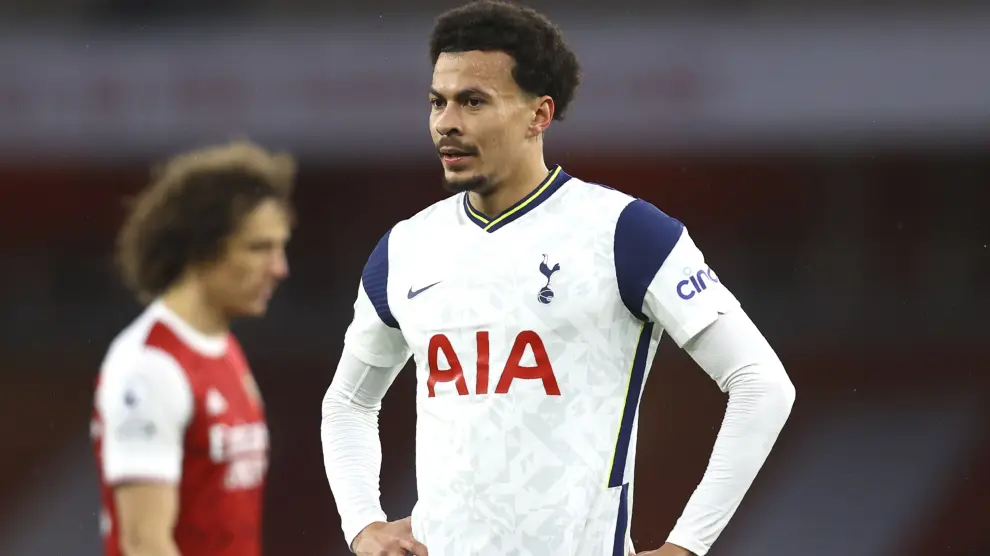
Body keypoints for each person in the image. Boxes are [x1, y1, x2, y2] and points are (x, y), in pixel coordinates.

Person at [321, 2, 795, 555]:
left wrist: (686, 545)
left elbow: (762, 384)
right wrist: (363, 524)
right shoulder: (405, 248)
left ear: (539, 115)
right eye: (437, 101)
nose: (446, 122)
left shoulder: (625, 232)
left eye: (473, 101)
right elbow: (348, 402)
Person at [90, 141, 295, 556]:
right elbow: (144, 543)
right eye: (259, 248)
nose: (279, 268)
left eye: (280, 248)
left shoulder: (224, 350)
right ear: (201, 248)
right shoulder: (151, 366)